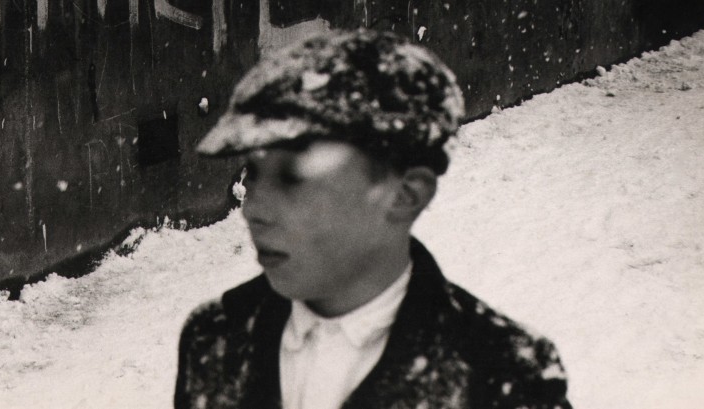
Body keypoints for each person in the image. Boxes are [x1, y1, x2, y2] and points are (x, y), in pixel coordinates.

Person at [175, 28, 571, 409]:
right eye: (253, 173)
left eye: (294, 177)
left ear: (404, 195)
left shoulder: (502, 377)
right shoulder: (215, 336)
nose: (253, 209)